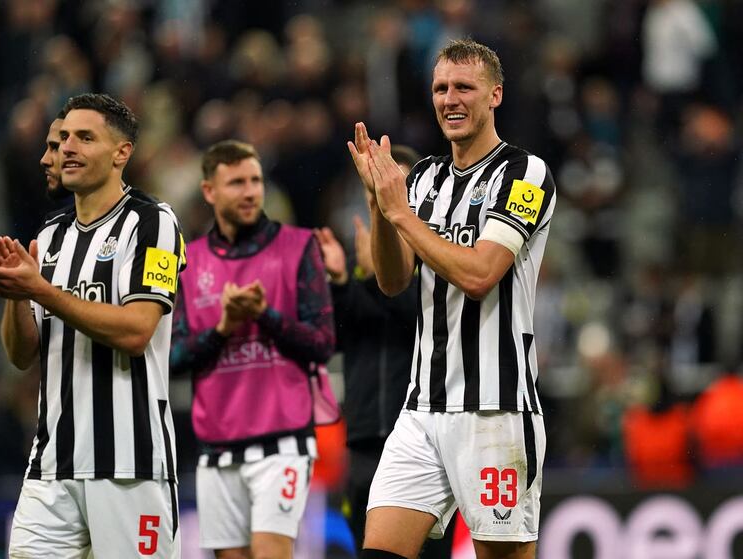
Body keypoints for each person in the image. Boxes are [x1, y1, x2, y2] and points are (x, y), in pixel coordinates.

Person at [347, 39, 557, 559]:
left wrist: (401, 215)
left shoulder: (524, 174)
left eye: (464, 87)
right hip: (422, 408)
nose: (449, 99)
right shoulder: (424, 178)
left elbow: (482, 273)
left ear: (495, 96)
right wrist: (379, 204)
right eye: (441, 88)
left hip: (496, 409)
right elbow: (393, 280)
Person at [0, 93, 185, 558]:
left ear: (121, 153)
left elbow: (136, 331)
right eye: (64, 136)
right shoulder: (50, 237)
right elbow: (21, 354)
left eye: (85, 138)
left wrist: (42, 291)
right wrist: (17, 294)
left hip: (130, 464)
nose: (67, 147)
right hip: (52, 465)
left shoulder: (153, 224)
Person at [170, 139, 335, 559]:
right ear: (209, 191)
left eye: (256, 181)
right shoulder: (189, 262)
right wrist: (224, 328)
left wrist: (266, 315)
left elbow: (322, 344)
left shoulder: (299, 248)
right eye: (237, 183)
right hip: (217, 445)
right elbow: (171, 359)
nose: (250, 192)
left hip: (284, 441)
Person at [316, 145, 453, 558]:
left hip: (423, 439)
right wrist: (340, 283)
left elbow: (408, 309)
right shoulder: (357, 277)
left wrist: (374, 276)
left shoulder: (436, 265)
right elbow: (330, 340)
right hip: (362, 442)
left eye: (402, 187)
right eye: (381, 187)